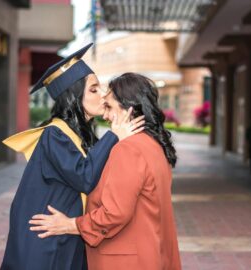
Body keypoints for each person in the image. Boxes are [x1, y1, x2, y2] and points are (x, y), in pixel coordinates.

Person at [0, 45, 145, 270]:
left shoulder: (83, 134)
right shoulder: (54, 135)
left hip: (67, 234)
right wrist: (115, 134)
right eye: (94, 89)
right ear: (74, 97)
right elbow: (85, 177)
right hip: (44, 241)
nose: (104, 95)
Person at [29, 73, 182, 270]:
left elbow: (114, 213)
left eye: (109, 107)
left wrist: (71, 225)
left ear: (129, 109)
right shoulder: (154, 145)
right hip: (150, 252)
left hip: (125, 261)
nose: (105, 115)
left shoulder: (128, 149)